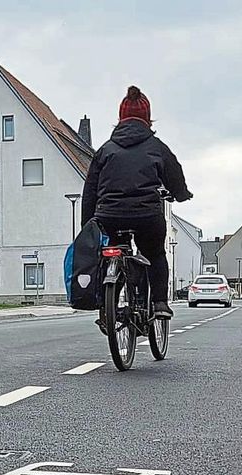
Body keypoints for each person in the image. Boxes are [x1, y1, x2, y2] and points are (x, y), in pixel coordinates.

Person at [81, 86, 192, 319]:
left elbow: (90, 189)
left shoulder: (105, 150)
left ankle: (107, 308)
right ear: (147, 119)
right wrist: (181, 194)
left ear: (120, 118)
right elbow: (175, 176)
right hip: (146, 216)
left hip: (109, 216)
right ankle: (160, 303)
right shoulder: (157, 147)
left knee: (111, 252)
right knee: (155, 254)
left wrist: (88, 225)